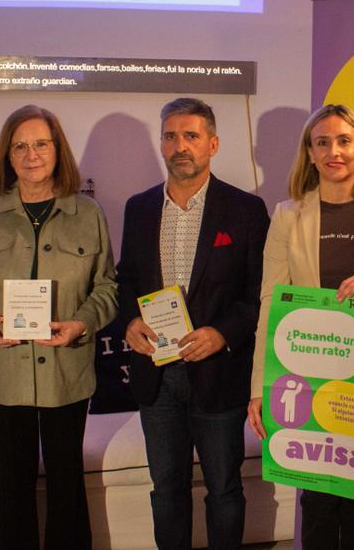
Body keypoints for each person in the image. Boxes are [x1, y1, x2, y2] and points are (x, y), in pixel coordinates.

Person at [0, 105, 117, 550]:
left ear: (57, 149)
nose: (31, 155)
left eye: (41, 144)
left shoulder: (88, 212)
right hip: (3, 374)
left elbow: (107, 287)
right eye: (20, 146)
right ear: (6, 156)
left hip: (66, 372)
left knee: (67, 481)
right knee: (14, 482)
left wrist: (81, 323)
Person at [246, 104, 354, 550]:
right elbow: (270, 304)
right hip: (306, 378)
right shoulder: (286, 215)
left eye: (343, 141)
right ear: (310, 153)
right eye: (322, 142)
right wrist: (260, 386)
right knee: (316, 505)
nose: (333, 151)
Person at [117, 97, 269, 550]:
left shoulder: (245, 210)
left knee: (224, 489)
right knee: (166, 491)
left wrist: (222, 333)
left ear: (213, 144)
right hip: (157, 376)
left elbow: (257, 294)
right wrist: (128, 321)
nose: (180, 146)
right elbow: (126, 278)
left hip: (218, 372)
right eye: (170, 136)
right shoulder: (139, 207)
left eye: (191, 136)